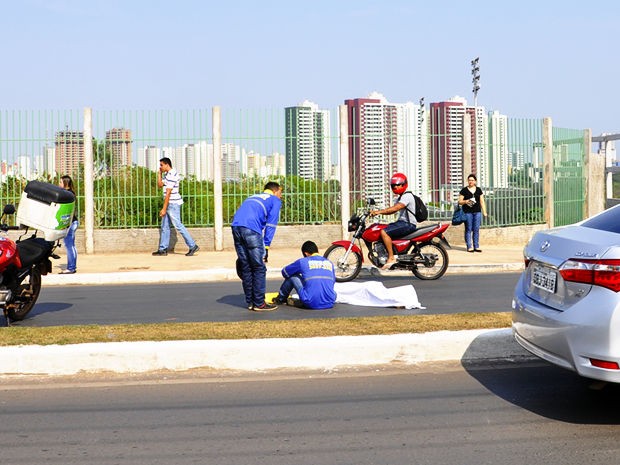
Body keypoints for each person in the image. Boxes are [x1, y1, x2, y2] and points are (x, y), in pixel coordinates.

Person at [231, 181, 283, 312]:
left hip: (236, 227)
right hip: (251, 230)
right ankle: (259, 303)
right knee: (259, 267)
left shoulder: (252, 197)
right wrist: (266, 247)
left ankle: (250, 302)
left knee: (246, 266)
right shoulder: (275, 201)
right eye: (281, 193)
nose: (281, 196)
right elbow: (271, 225)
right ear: (276, 191)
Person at [369, 172, 417, 270]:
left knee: (384, 232)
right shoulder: (400, 197)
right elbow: (391, 211)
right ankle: (388, 253)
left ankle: (391, 257)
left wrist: (378, 212)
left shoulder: (407, 196)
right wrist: (378, 212)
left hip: (408, 224)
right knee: (381, 228)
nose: (395, 187)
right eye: (394, 185)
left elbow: (395, 209)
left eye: (398, 185)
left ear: (404, 185)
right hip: (402, 222)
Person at [152, 157, 199, 257]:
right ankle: (162, 249)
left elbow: (168, 192)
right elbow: (160, 185)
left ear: (166, 164)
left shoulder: (173, 174)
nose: (160, 167)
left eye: (161, 165)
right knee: (164, 226)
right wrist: (159, 174)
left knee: (178, 225)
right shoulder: (167, 174)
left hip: (173, 204)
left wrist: (164, 209)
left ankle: (192, 245)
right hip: (169, 203)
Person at [273, 240, 337, 310]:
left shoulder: (302, 262)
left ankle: (281, 299)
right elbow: (332, 281)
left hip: (310, 302)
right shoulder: (329, 263)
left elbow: (285, 272)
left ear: (306, 253)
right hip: (329, 302)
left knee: (293, 276)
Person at [458, 173, 488, 253]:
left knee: (476, 229)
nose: (471, 181)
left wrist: (484, 211)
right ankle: (469, 246)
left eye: (472, 180)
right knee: (468, 229)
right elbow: (460, 202)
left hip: (477, 212)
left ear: (475, 181)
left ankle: (476, 246)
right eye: (469, 180)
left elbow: (482, 201)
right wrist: (465, 201)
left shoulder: (478, 190)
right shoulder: (464, 190)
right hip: (467, 212)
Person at [59, 175, 79, 274]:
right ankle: (72, 266)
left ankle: (71, 268)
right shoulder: (71, 194)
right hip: (73, 222)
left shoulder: (67, 195)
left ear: (65, 183)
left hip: (70, 223)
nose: (59, 184)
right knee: (71, 245)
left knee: (69, 245)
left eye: (60, 182)